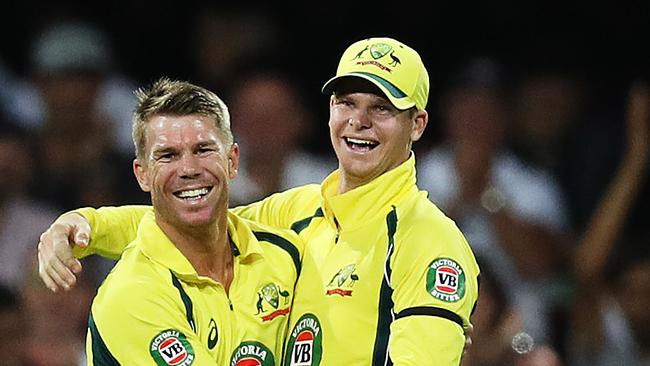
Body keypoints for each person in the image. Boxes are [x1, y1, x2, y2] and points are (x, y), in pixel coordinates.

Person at [38, 37, 480, 364]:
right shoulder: (299, 213)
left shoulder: (429, 241)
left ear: (418, 124)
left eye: (382, 109)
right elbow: (190, 223)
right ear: (330, 112)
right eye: (347, 103)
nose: (359, 121)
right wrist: (85, 226)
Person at [73, 77, 303, 364]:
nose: (189, 169)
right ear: (142, 174)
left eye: (203, 150)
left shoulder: (285, 254)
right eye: (168, 156)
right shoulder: (131, 294)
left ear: (232, 161)